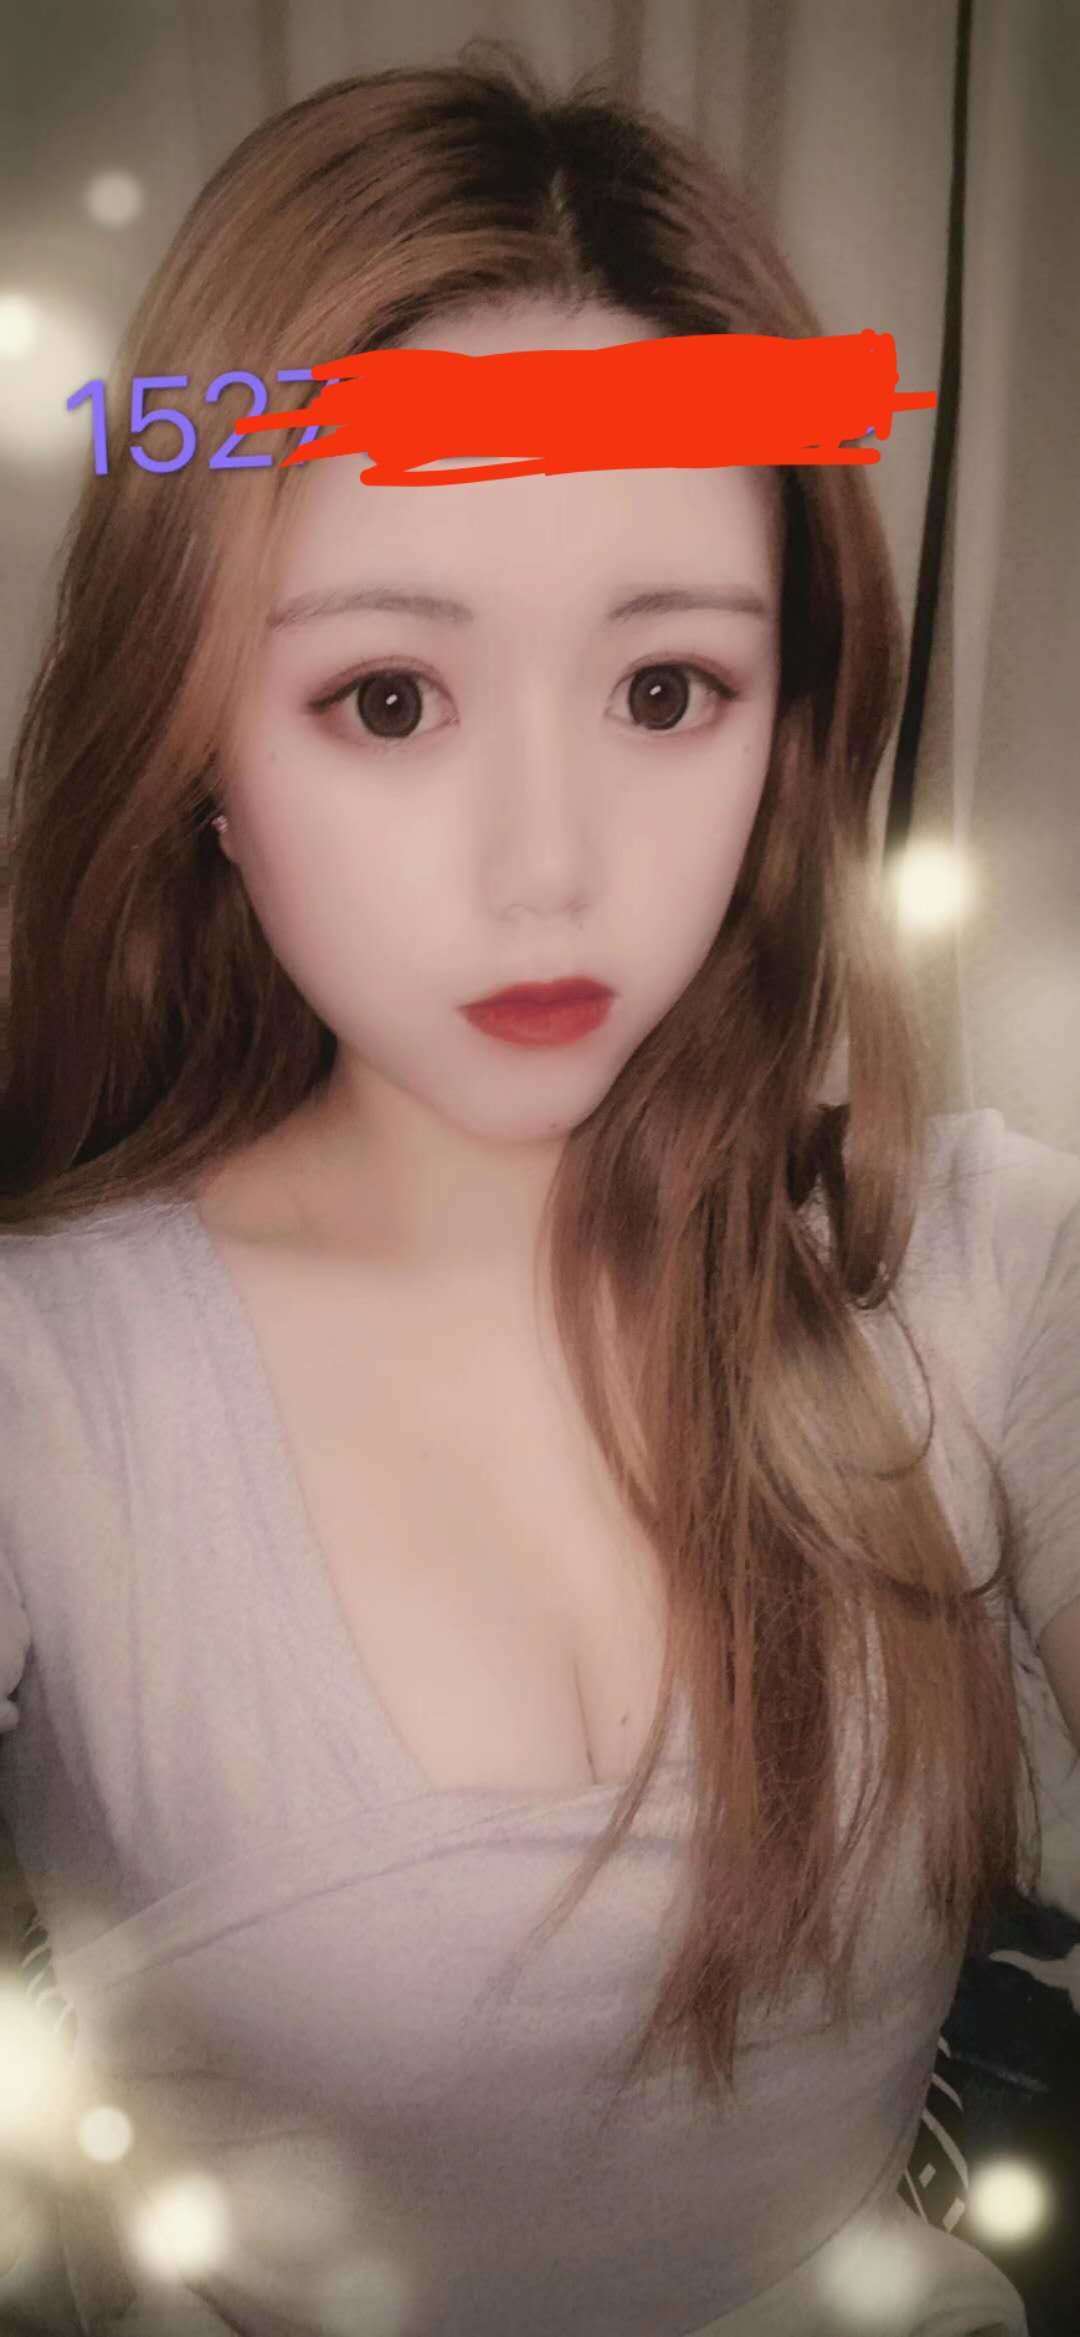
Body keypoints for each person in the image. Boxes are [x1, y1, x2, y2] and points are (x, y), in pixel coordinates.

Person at [1, 41, 1077, 2337]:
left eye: (668, 687)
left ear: (791, 725)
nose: (549, 867)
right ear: (197, 754)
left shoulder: (970, 1265)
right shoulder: (45, 1375)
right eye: (389, 699)